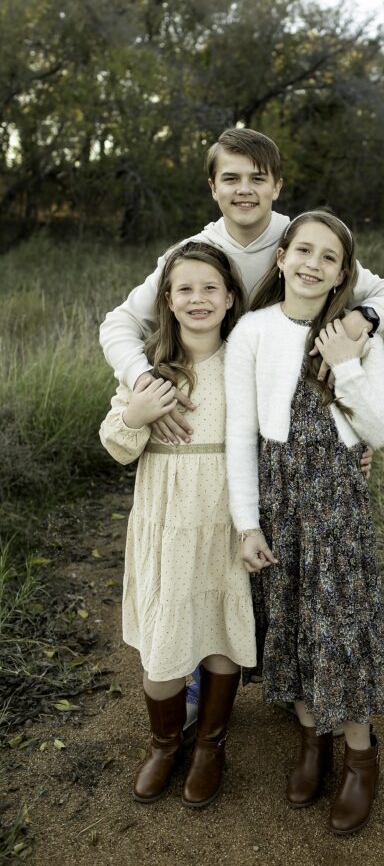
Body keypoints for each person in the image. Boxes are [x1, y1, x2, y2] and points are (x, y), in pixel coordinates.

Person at [99, 127, 384, 724]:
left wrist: (364, 320)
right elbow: (119, 323)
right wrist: (148, 383)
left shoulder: (303, 241)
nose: (244, 190)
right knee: (204, 549)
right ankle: (195, 682)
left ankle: (288, 680)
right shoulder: (189, 251)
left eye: (257, 178)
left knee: (280, 554)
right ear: (213, 187)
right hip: (216, 405)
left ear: (276, 184)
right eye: (231, 178)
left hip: (297, 427)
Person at [225, 210, 384, 836]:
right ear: (281, 258)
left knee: (342, 619)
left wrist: (348, 362)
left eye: (329, 257)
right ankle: (311, 743)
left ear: (342, 275)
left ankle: (359, 756)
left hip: (338, 498)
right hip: (278, 493)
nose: (312, 263)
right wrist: (248, 524)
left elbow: (381, 430)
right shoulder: (252, 331)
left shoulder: (355, 333)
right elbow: (240, 436)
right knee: (292, 616)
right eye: (303, 250)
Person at [99, 242, 255, 808]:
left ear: (230, 297)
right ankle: (165, 743)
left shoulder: (245, 363)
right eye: (185, 288)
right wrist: (137, 417)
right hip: (166, 523)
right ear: (167, 299)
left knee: (219, 634)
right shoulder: (150, 369)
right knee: (164, 645)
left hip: (223, 520)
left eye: (210, 288)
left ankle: (212, 744)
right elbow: (117, 446)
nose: (198, 299)